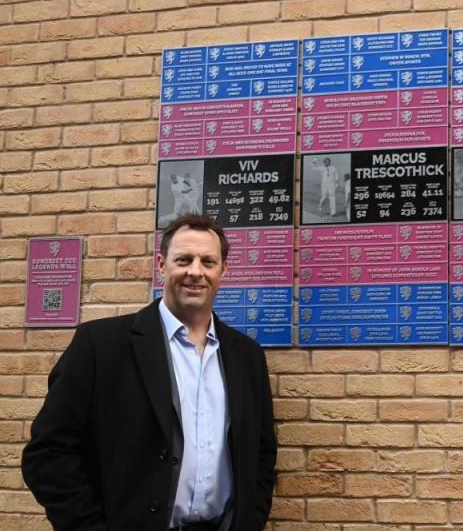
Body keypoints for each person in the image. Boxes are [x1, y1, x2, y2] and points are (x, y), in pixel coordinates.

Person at [22, 214, 277, 531]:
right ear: (161, 264)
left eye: (208, 261)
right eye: (183, 259)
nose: (195, 271)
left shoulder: (247, 357)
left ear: (223, 270)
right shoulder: (100, 345)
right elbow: (48, 454)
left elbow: (262, 456)